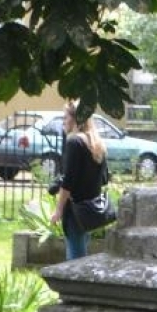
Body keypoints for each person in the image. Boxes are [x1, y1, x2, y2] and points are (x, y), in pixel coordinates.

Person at [51, 99, 108, 260]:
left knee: (76, 259)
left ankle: (79, 285)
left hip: (75, 210)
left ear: (75, 119)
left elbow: (68, 182)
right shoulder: (97, 144)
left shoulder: (74, 142)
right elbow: (103, 179)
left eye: (66, 117)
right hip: (90, 210)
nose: (64, 121)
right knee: (81, 252)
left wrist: (58, 210)